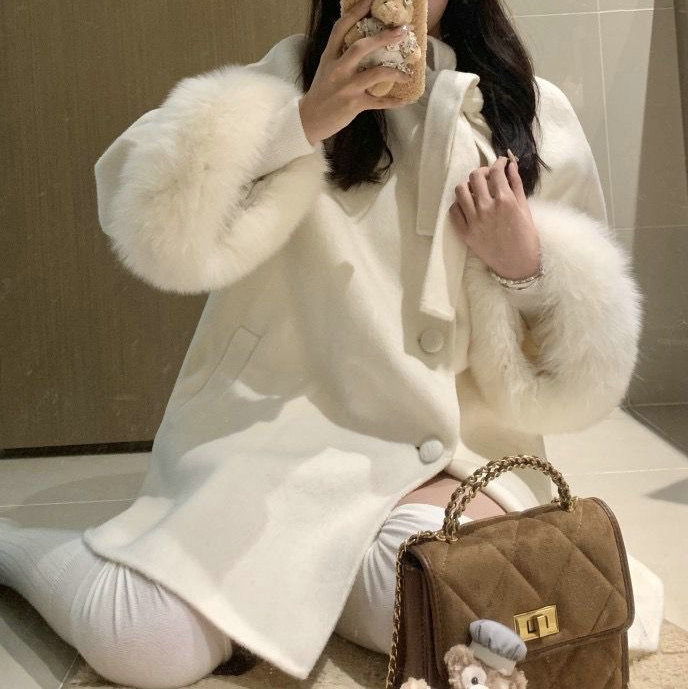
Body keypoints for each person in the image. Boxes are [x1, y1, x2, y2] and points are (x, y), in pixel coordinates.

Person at [1, 1, 662, 687]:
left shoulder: (533, 114)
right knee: (143, 642)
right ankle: (13, 548)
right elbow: (136, 205)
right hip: (285, 444)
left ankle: (308, 579)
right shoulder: (291, 78)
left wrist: (525, 267)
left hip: (454, 457)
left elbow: (582, 368)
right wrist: (303, 122)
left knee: (484, 622)